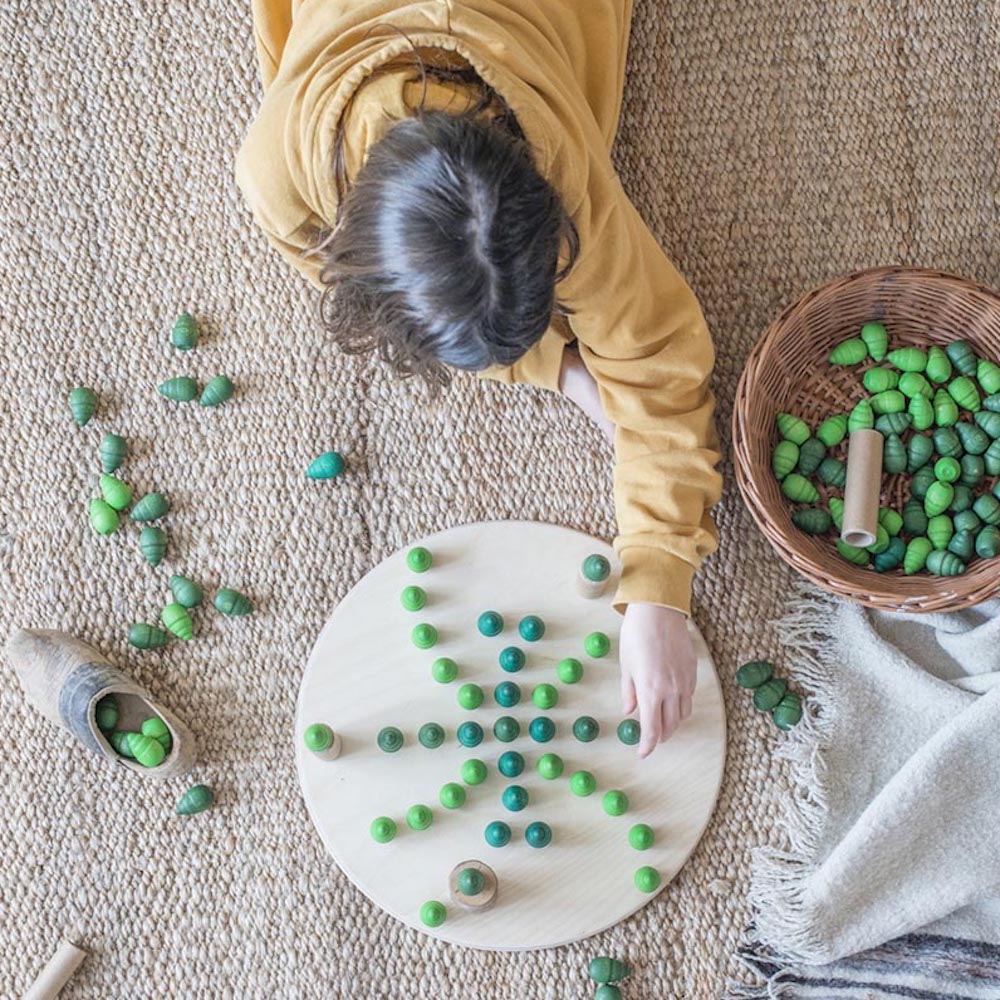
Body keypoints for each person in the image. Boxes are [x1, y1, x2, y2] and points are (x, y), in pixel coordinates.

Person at [236, 0, 722, 756]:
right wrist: (560, 370)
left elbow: (659, 358)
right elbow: (326, 274)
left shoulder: (566, 180)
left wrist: (659, 584)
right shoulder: (281, 174)